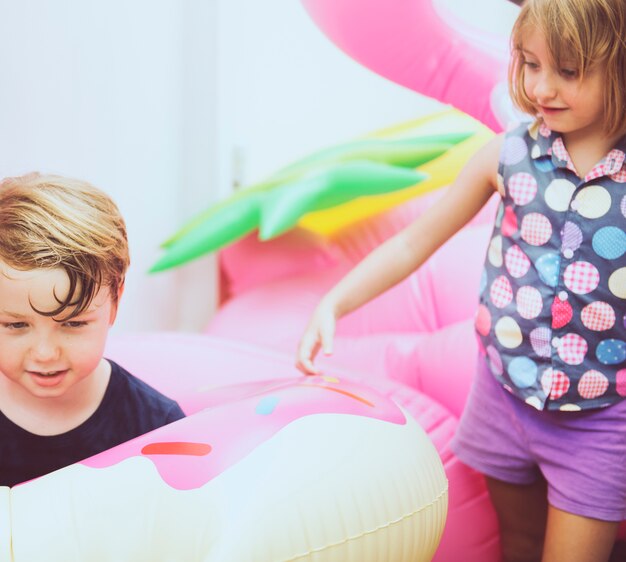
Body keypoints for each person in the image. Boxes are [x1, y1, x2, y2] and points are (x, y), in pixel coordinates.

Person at [296, 0, 626, 560]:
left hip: (598, 421)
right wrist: (335, 302)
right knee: (516, 539)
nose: (542, 87)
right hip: (504, 395)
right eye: (529, 63)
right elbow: (411, 242)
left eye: (567, 71)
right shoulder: (509, 155)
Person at [0, 173, 185, 488]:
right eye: (16, 325)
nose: (45, 353)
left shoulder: (156, 426)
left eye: (73, 323)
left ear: (115, 301)